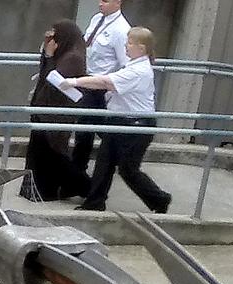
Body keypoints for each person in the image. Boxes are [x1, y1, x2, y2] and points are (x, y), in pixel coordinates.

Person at [60, 26, 171, 213]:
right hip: (119, 121)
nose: (126, 46)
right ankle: (94, 203)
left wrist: (74, 82)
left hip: (136, 126)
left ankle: (160, 199)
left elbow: (106, 82)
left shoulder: (139, 71)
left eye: (129, 43)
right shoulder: (133, 66)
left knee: (128, 170)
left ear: (141, 48)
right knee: (104, 164)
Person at [19, 19, 91, 202]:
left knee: (54, 156)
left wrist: (50, 56)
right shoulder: (63, 54)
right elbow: (44, 73)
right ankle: (37, 191)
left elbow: (54, 81)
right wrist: (47, 54)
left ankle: (90, 190)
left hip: (57, 113)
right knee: (40, 154)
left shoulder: (72, 58)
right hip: (45, 111)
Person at [72, 0, 131, 172]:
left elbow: (125, 64)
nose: (100, 4)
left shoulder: (122, 30)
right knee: (87, 125)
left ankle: (80, 169)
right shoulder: (97, 19)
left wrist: (111, 89)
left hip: (100, 85)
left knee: (87, 127)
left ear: (117, 2)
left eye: (105, 1)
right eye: (99, 0)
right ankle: (116, 154)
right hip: (86, 78)